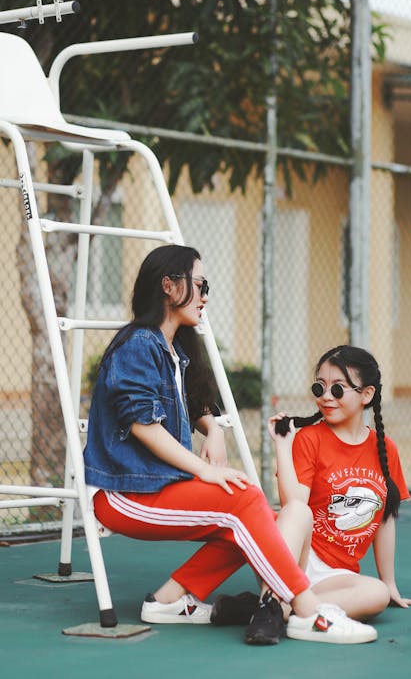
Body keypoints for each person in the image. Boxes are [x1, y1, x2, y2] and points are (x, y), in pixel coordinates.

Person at [83, 246, 376, 646]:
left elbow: (189, 400)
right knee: (243, 501)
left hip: (154, 487)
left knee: (253, 524)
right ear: (169, 286)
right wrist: (204, 469)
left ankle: (167, 601)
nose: (205, 296)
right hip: (124, 494)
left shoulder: (172, 349)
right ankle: (308, 613)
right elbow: (142, 424)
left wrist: (213, 428)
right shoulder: (139, 343)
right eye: (200, 285)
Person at [266, 345, 411, 633]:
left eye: (338, 389)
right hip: (296, 559)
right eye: (319, 387)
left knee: (377, 595)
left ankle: (277, 608)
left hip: (335, 576)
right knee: (297, 513)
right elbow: (294, 504)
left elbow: (384, 520)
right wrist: (282, 447)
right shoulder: (310, 439)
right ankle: (279, 599)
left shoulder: (386, 450)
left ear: (366, 395)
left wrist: (389, 583)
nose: (326, 396)